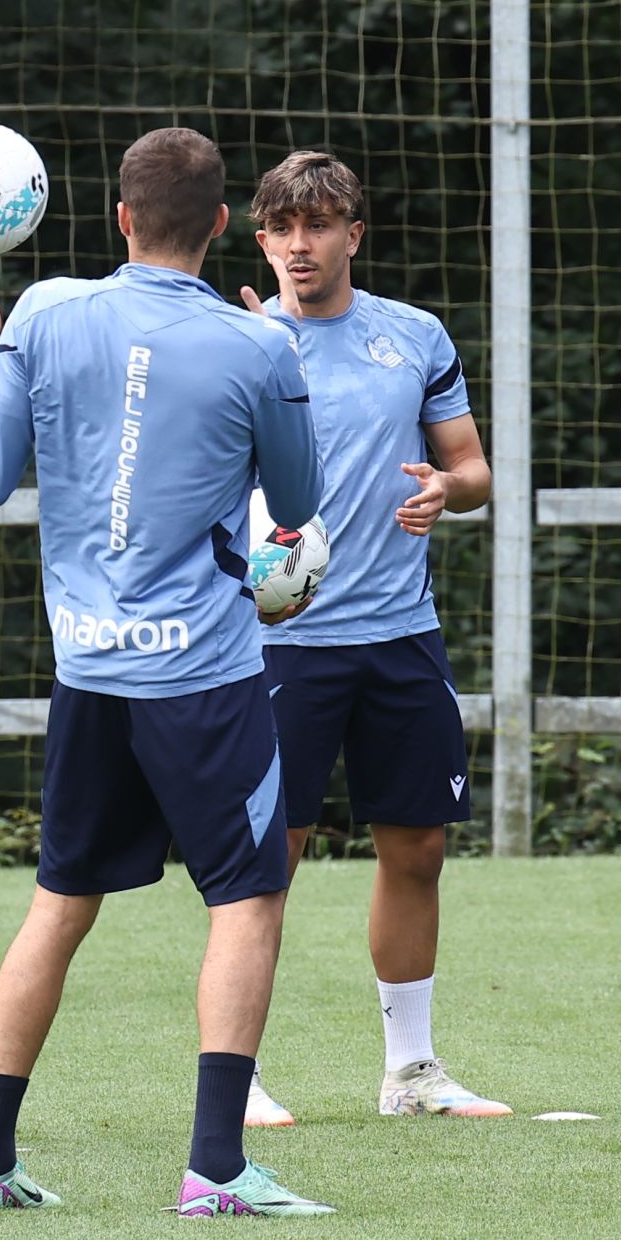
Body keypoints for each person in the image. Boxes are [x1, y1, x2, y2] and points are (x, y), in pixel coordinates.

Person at [0, 127, 332, 1217]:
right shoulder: (257, 345)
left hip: (89, 670)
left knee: (59, 903)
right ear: (223, 225)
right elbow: (297, 507)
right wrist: (280, 368)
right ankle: (216, 1168)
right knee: (249, 901)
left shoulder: (40, 315)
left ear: (119, 215)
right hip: (204, 676)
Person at [242, 150, 508, 1123]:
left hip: (401, 637)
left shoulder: (415, 335)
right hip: (279, 644)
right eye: (281, 227)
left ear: (354, 232)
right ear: (260, 237)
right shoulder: (241, 339)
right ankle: (242, 1073)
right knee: (269, 854)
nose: (298, 245)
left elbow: (475, 468)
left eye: (318, 225)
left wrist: (449, 489)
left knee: (420, 847)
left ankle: (411, 1071)